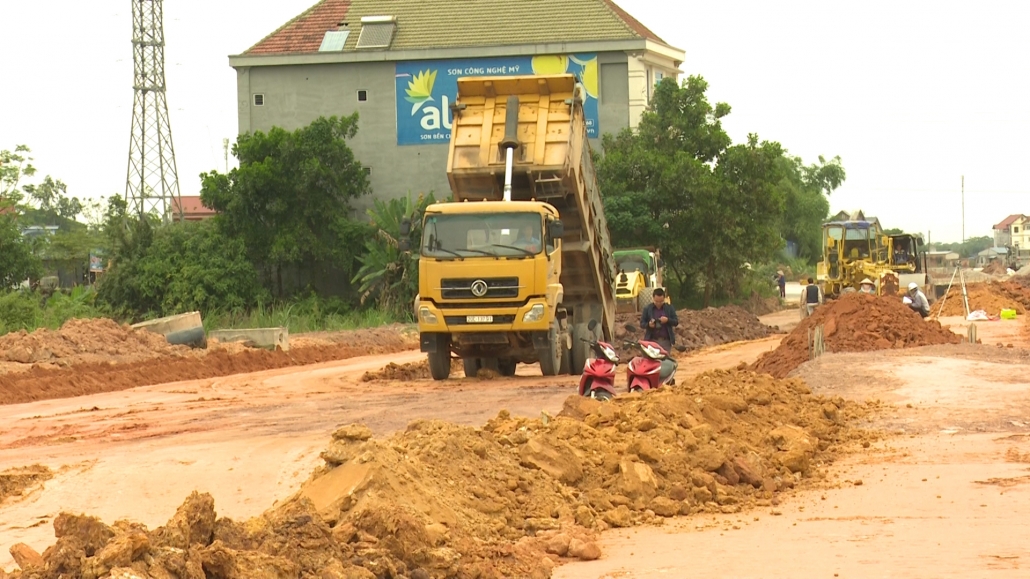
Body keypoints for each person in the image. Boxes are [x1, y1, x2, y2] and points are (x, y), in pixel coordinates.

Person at [640, 287, 678, 353]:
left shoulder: (669, 308)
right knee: (652, 362)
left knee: (665, 361)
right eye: (656, 301)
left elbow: (676, 322)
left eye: (661, 301)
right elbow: (642, 323)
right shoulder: (647, 309)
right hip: (652, 341)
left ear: (664, 299)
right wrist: (649, 325)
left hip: (666, 341)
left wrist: (667, 320)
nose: (659, 303)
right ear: (653, 298)